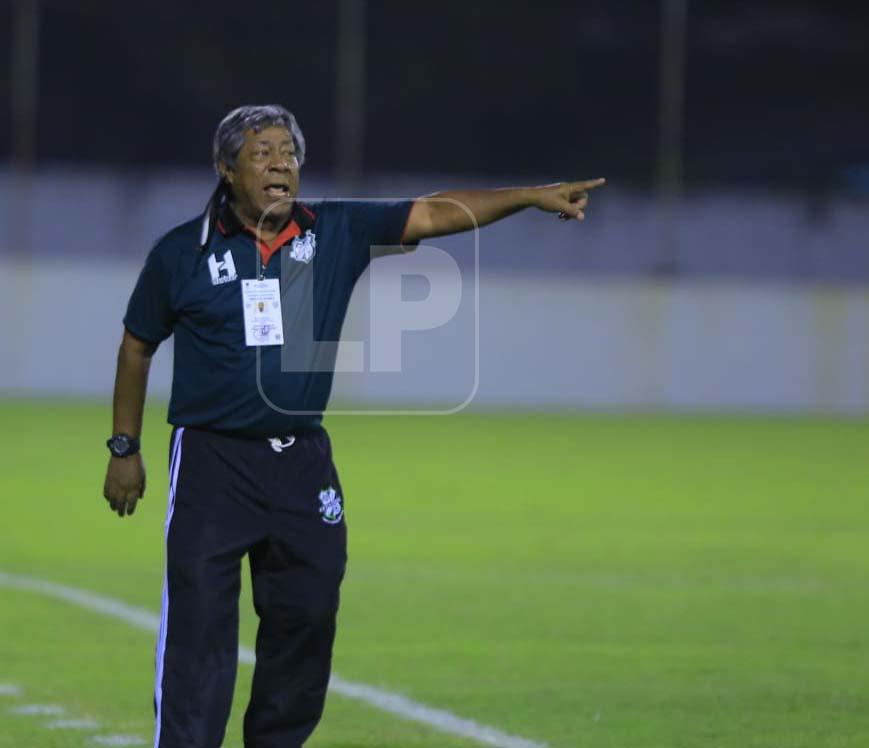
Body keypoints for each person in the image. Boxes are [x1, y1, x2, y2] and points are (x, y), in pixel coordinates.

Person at [102, 103, 603, 748]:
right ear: (227, 169)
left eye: (289, 151)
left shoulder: (333, 230)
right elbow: (136, 347)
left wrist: (530, 196)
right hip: (210, 462)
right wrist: (124, 449)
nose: (281, 163)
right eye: (262, 152)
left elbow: (433, 211)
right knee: (199, 629)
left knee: (307, 618)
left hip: (302, 462)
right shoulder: (182, 253)